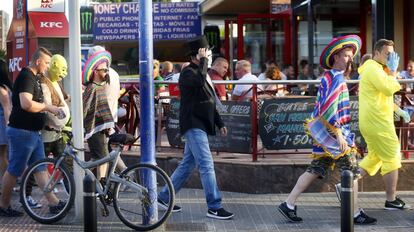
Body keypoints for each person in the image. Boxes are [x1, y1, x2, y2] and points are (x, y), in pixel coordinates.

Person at [278, 35, 377, 225]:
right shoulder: (337, 79)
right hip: (334, 135)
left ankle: (288, 204)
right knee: (352, 171)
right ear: (336, 56)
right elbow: (330, 108)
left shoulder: (328, 76)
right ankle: (355, 212)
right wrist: (339, 133)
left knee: (315, 168)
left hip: (323, 135)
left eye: (350, 56)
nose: (350, 59)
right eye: (347, 55)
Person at [158, 36, 234, 220]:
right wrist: (204, 61)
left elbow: (209, 100)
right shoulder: (188, 73)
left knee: (187, 164)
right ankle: (214, 206)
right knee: (207, 165)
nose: (209, 54)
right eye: (206, 51)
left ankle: (163, 197)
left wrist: (220, 123)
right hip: (193, 125)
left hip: (199, 124)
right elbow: (198, 83)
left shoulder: (201, 72)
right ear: (197, 55)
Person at [0, 47, 65, 217]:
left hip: (32, 133)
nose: (48, 66)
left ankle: (54, 203)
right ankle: (3, 205)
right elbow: (26, 103)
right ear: (38, 61)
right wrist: (49, 108)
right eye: (47, 63)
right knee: (14, 169)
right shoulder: (27, 76)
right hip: (22, 132)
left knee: (40, 168)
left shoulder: (35, 77)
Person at [357, 39, 411, 210]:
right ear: (377, 52)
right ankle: (391, 200)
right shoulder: (373, 68)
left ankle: (346, 185)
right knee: (392, 157)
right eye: (387, 54)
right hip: (378, 122)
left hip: (374, 121)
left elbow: (383, 97)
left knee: (375, 157)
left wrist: (398, 111)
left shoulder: (376, 69)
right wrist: (393, 71)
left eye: (392, 54)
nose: (390, 57)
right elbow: (388, 89)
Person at [82, 51, 115, 180]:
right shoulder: (92, 88)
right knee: (100, 157)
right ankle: (86, 178)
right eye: (104, 70)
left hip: (101, 129)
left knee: (103, 157)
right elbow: (85, 108)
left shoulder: (99, 87)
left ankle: (100, 182)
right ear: (96, 71)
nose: (106, 73)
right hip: (95, 129)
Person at [0, 59, 11, 184]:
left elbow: (7, 108)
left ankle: (4, 183)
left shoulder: (2, 90)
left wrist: (9, 126)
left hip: (2, 124)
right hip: (4, 124)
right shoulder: (7, 87)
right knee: (3, 155)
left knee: (2, 156)